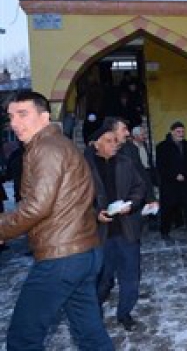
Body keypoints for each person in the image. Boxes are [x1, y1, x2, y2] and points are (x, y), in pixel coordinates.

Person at [0, 91, 113, 350]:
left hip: (61, 257)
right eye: (11, 117)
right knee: (89, 335)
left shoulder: (46, 148)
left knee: (22, 339)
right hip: (83, 252)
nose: (15, 123)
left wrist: (3, 228)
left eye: (23, 114)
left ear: (45, 116)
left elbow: (37, 206)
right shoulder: (60, 144)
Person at [85, 127, 153, 331]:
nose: (114, 144)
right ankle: (94, 314)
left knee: (131, 277)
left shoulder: (126, 163)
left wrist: (131, 204)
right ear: (96, 144)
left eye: (115, 141)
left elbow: (139, 187)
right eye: (108, 141)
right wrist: (95, 213)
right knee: (103, 280)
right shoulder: (84, 167)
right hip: (100, 235)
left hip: (126, 231)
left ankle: (125, 313)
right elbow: (77, 199)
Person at [156, 121, 187, 241]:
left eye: (182, 132)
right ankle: (164, 231)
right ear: (172, 132)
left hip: (186, 184)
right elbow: (161, 167)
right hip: (170, 185)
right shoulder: (162, 147)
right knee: (167, 210)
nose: (181, 134)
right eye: (178, 132)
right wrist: (174, 175)